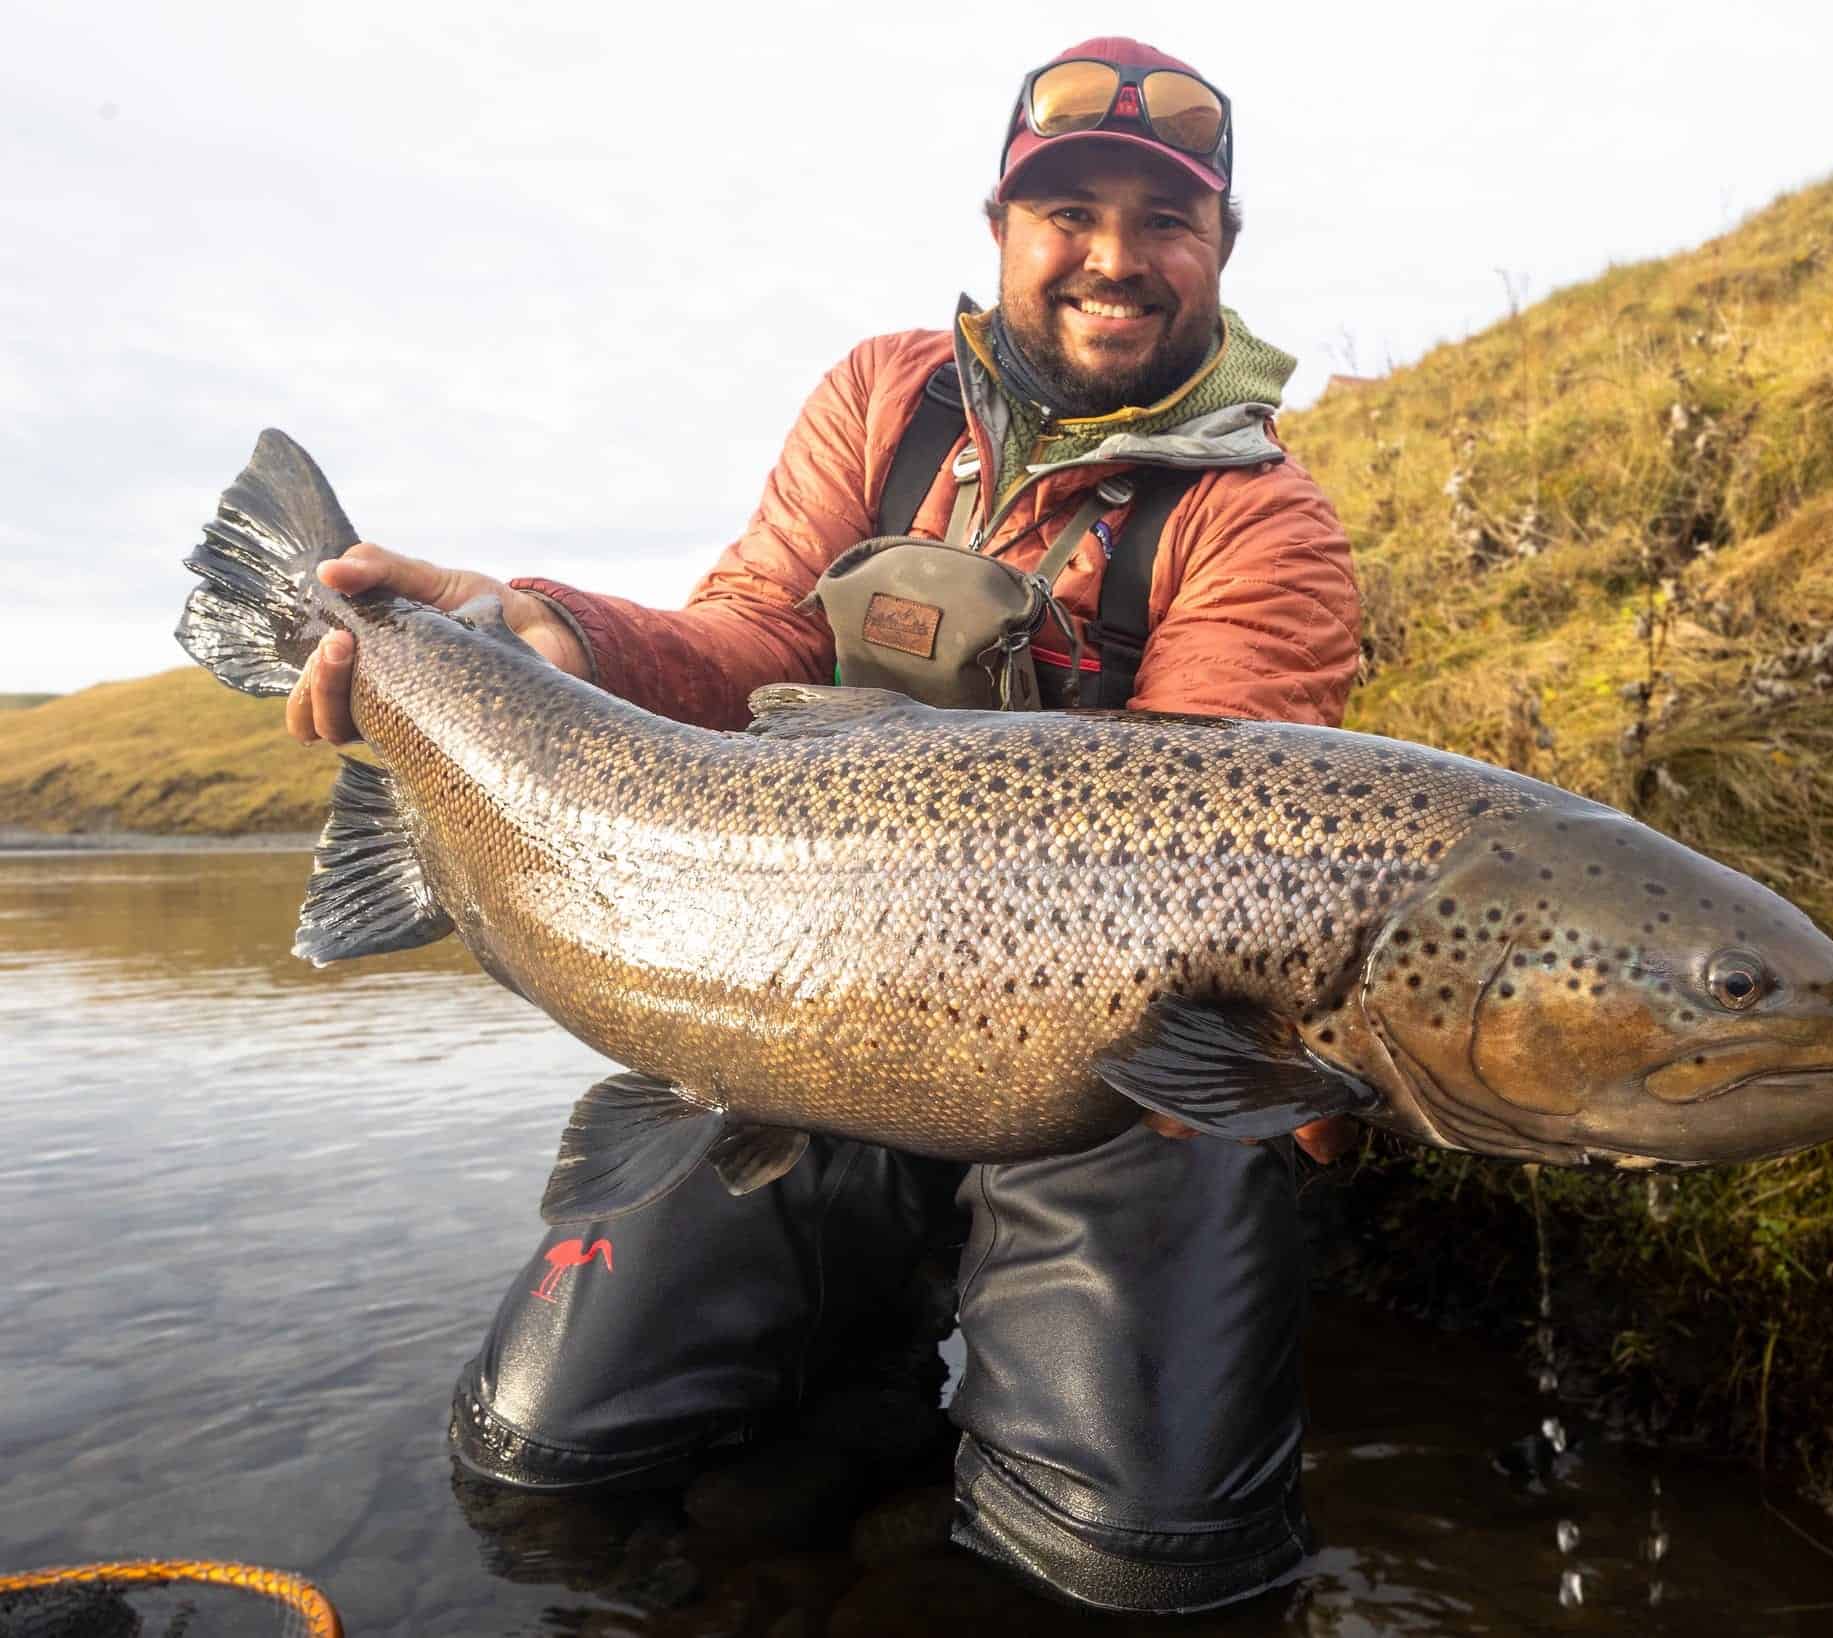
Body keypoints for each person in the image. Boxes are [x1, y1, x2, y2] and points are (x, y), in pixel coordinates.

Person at [286, 37, 1363, 1614]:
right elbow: (750, 640)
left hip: (1120, 1082)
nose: (1115, 257)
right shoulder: (883, 398)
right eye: (1070, 213)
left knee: (1136, 1566)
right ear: (1001, 227)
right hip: (806, 1015)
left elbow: (1206, 846)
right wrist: (550, 634)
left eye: (1165, 219)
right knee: (542, 1450)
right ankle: (861, 1365)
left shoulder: (1265, 518)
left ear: (1223, 246)